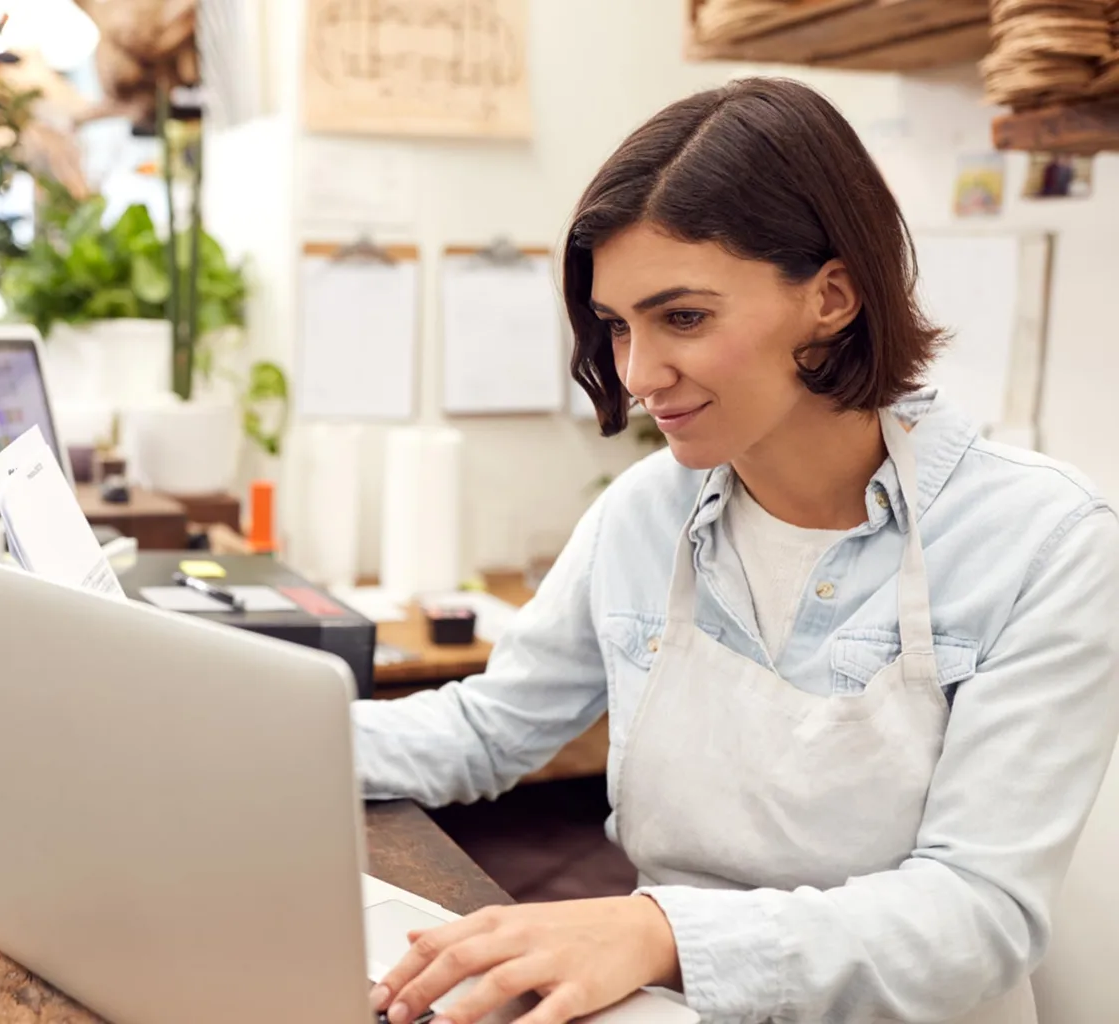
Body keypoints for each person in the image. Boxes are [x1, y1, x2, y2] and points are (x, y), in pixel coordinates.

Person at [356, 78, 1119, 1024]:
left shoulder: (1042, 542)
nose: (637, 373)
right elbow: (487, 729)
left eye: (683, 318)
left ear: (832, 296)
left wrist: (658, 933)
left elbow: (975, 917)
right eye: (618, 326)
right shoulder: (646, 512)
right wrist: (258, 737)